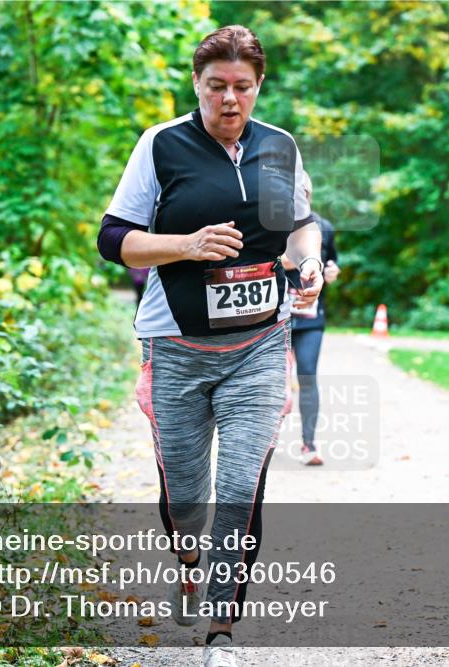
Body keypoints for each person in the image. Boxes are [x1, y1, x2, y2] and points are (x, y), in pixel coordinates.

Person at [96, 25, 323, 667]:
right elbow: (114, 239)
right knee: (190, 497)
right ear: (196, 84)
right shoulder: (162, 145)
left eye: (242, 88)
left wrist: (306, 267)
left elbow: (299, 227)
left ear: (258, 87)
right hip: (176, 344)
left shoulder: (279, 148)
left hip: (259, 341)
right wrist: (186, 245)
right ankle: (189, 557)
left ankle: (221, 627)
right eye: (216, 87)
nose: (229, 100)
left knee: (240, 486)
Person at [283, 172, 340, 466]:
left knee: (307, 375)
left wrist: (330, 272)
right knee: (272, 382)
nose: (301, 195)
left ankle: (309, 445)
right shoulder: (269, 224)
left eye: (305, 191)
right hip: (274, 319)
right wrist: (290, 260)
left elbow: (332, 264)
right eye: (296, 191)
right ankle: (259, 445)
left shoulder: (324, 228)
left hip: (310, 318)